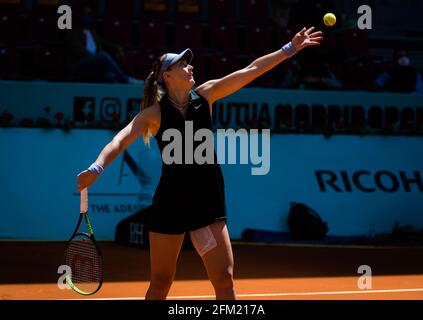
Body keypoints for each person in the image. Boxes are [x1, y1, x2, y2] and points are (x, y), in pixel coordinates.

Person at [77, 26, 323, 300]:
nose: (190, 66)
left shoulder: (206, 96)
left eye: (188, 62)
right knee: (160, 282)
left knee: (224, 280)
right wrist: (96, 168)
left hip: (207, 202)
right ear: (167, 76)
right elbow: (119, 141)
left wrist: (289, 49)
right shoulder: (153, 114)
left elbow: (251, 70)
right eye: (182, 64)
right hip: (171, 203)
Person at [65, 3, 143, 84]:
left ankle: (119, 93)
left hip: (94, 66)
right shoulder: (72, 32)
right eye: (85, 14)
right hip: (79, 67)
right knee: (103, 55)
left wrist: (118, 49)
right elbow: (79, 50)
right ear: (79, 15)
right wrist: (97, 58)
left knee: (110, 77)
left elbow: (104, 43)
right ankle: (127, 80)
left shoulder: (93, 32)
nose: (87, 16)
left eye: (89, 14)